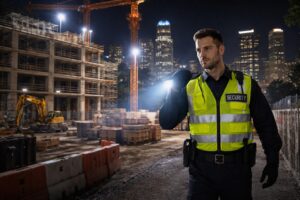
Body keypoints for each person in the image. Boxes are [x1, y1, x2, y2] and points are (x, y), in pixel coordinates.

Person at [159, 28, 282, 200]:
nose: (202, 54)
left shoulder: (245, 84)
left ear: (221, 49)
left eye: (207, 48)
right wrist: (173, 91)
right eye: (198, 50)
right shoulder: (191, 86)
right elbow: (166, 122)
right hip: (201, 171)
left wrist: (273, 159)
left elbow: (266, 124)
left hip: (237, 170)